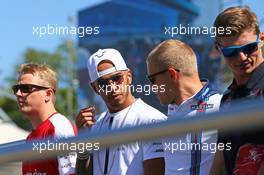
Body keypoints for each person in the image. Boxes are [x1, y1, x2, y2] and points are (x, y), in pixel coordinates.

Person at [75, 48, 167, 175]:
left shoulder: (151, 120)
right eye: (103, 83)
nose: (112, 87)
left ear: (129, 76)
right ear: (95, 88)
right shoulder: (94, 126)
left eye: (117, 78)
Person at [146, 39, 222, 175]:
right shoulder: (170, 110)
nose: (152, 87)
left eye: (152, 80)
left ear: (171, 75)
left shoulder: (221, 106)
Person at [210, 6, 264, 175]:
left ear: (261, 39)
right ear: (219, 49)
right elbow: (220, 158)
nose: (242, 57)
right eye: (231, 52)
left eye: (248, 48)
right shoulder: (227, 99)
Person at [12, 63, 77, 175]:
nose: (18, 94)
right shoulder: (30, 138)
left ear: (48, 94)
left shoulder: (60, 127)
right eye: (16, 88)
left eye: (25, 88)